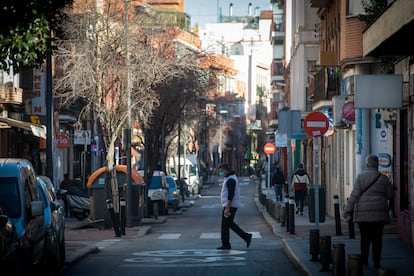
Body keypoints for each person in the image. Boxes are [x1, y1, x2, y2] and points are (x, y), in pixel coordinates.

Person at [343, 154, 393, 269]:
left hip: (363, 214)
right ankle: (376, 261)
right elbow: (390, 195)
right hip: (379, 214)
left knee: (365, 238)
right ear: (377, 164)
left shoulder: (360, 177)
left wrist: (347, 210)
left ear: (366, 164)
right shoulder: (384, 178)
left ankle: (364, 260)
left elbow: (354, 195)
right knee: (377, 239)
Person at [217, 163, 252, 250]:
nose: (221, 173)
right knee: (229, 224)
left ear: (226, 170)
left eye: (221, 171)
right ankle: (246, 236)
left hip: (230, 205)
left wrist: (227, 207)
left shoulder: (231, 180)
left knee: (225, 225)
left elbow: (230, 194)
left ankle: (226, 244)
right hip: (231, 205)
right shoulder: (230, 178)